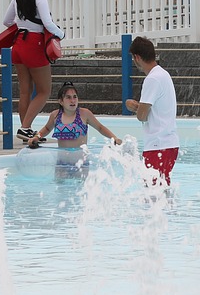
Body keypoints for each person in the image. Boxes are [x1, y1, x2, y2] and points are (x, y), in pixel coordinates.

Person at [1, 0, 64, 141]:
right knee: (44, 90)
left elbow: (6, 21)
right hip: (34, 45)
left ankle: (25, 131)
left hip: (18, 45)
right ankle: (25, 127)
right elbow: (48, 23)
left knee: (25, 91)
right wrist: (61, 34)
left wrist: (23, 25)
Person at [28, 83, 122, 177]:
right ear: (61, 101)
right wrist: (37, 137)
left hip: (81, 164)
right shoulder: (55, 115)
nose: (72, 101)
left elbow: (100, 128)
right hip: (62, 164)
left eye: (75, 97)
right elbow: (47, 128)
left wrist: (114, 138)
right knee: (61, 189)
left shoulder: (84, 114)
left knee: (80, 189)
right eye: (68, 97)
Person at [124, 36, 180, 186]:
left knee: (152, 193)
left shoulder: (152, 79)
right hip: (170, 144)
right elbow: (152, 109)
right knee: (161, 191)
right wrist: (138, 106)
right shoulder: (163, 74)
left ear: (137, 57)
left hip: (157, 145)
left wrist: (134, 106)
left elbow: (142, 116)